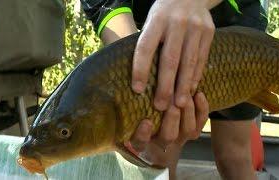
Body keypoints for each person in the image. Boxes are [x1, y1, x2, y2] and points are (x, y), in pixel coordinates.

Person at [80, 0, 268, 179]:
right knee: (158, 149)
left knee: (233, 155)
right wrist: (141, 97)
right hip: (159, 31)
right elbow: (113, 19)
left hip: (233, 18)